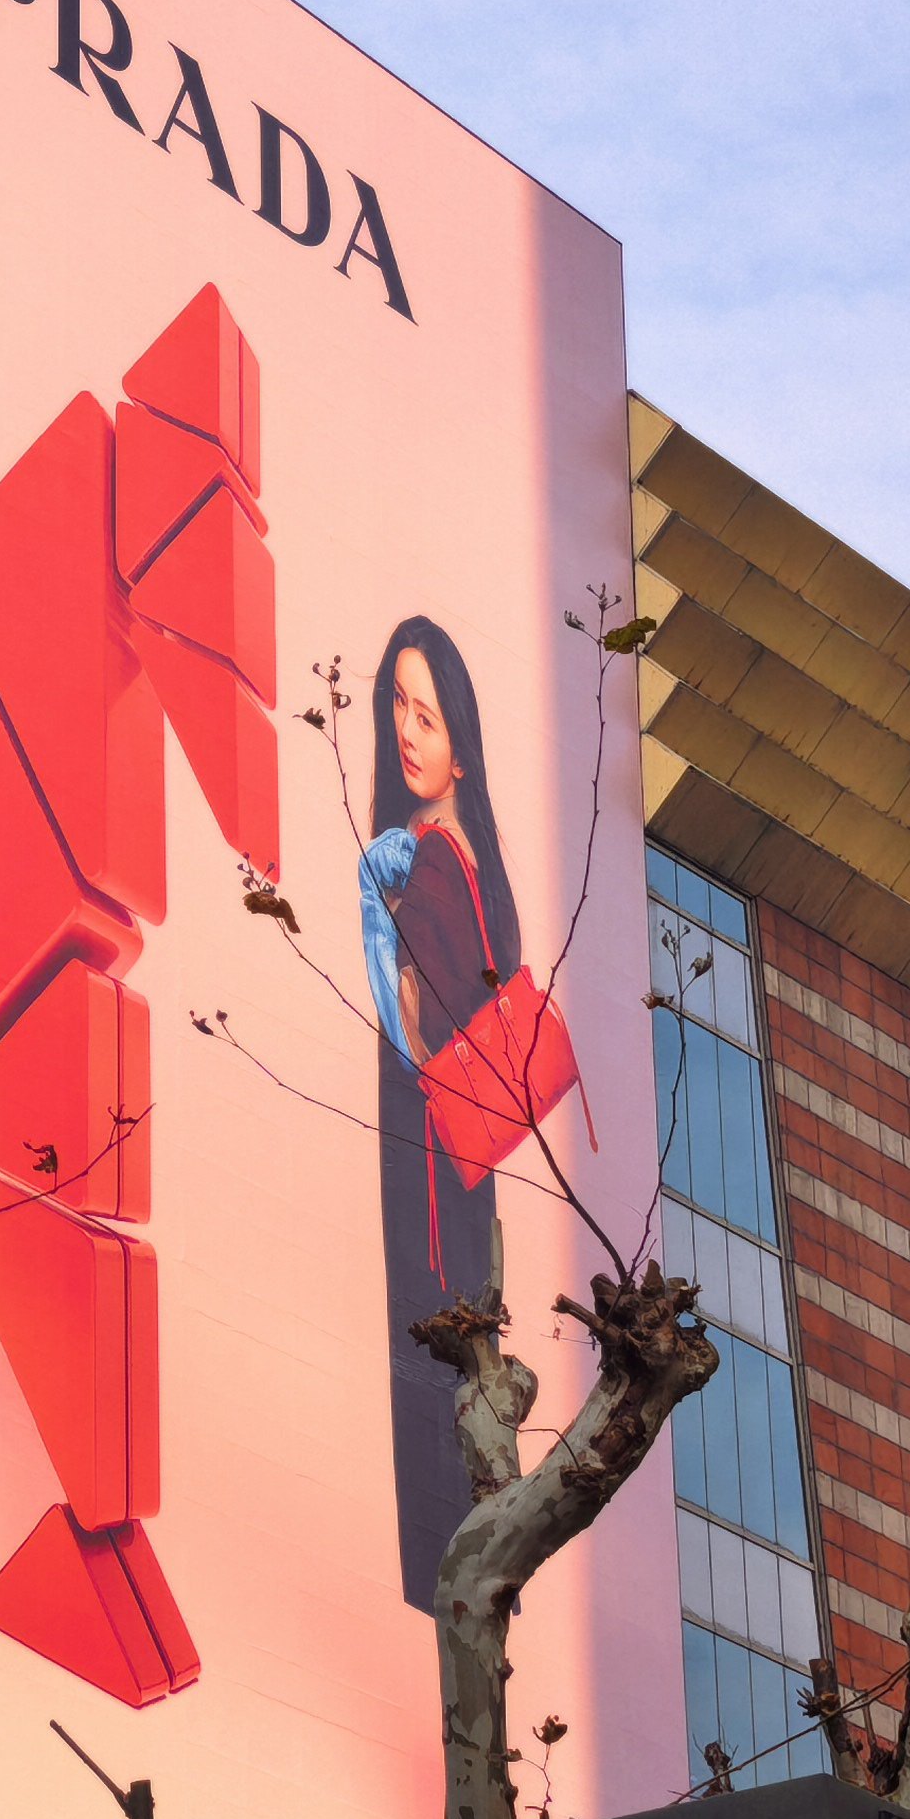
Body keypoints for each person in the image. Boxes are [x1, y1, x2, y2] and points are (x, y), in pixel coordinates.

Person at [357, 615, 519, 1614]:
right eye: (397, 707)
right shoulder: (472, 860)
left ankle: (441, 1584)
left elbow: (418, 1035)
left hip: (426, 1168)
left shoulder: (426, 865)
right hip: (465, 1177)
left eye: (428, 714)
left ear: (461, 742)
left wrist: (378, 915)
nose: (407, 731)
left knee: (426, 1369)